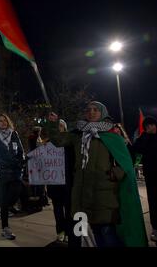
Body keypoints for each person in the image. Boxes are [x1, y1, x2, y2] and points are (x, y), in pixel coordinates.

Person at [44, 101, 147, 247]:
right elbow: (58, 141)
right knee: (94, 232)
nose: (91, 112)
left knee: (107, 232)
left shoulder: (112, 134)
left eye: (95, 110)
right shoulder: (78, 134)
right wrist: (53, 124)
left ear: (102, 113)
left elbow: (127, 161)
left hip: (105, 193)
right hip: (82, 193)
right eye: (88, 110)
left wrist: (115, 174)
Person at [41, 119, 78, 245]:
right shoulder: (48, 144)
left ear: (65, 128)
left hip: (67, 182)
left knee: (68, 209)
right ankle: (60, 231)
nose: (59, 128)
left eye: (62, 126)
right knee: (57, 209)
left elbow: (74, 162)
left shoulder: (70, 144)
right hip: (54, 181)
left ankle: (68, 232)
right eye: (57, 126)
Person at [0, 113, 25, 240]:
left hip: (15, 171)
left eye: (4, 120)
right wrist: (11, 162)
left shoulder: (14, 134)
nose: (3, 123)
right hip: (3, 172)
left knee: (16, 193)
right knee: (4, 200)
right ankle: (5, 228)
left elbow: (21, 151)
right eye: (0, 121)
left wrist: (20, 162)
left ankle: (5, 207)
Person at [132, 116, 157, 242]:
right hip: (151, 176)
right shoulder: (144, 138)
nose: (149, 128)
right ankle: (155, 229)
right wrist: (144, 137)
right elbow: (135, 148)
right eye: (147, 126)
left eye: (151, 125)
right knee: (153, 202)